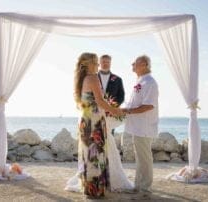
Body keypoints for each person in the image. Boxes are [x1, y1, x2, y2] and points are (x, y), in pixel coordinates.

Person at [65, 53, 134, 196]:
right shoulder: (92, 78)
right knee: (96, 154)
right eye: (96, 63)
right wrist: (117, 112)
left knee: (88, 154)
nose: (98, 66)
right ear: (89, 64)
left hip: (85, 120)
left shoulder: (81, 79)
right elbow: (101, 102)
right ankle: (95, 190)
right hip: (94, 121)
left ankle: (89, 188)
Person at [123, 55, 159, 193]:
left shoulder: (150, 82)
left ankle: (145, 187)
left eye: (135, 62)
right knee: (140, 156)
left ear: (144, 64)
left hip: (144, 126)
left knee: (144, 157)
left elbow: (149, 106)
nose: (132, 64)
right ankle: (138, 185)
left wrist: (128, 111)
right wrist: (123, 109)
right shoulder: (141, 81)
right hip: (137, 126)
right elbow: (134, 102)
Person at [98, 55, 125, 135]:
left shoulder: (117, 79)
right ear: (99, 63)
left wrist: (113, 107)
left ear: (110, 63)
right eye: (103, 62)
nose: (105, 64)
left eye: (108, 62)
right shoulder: (93, 78)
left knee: (109, 136)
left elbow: (121, 96)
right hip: (95, 112)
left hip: (111, 113)